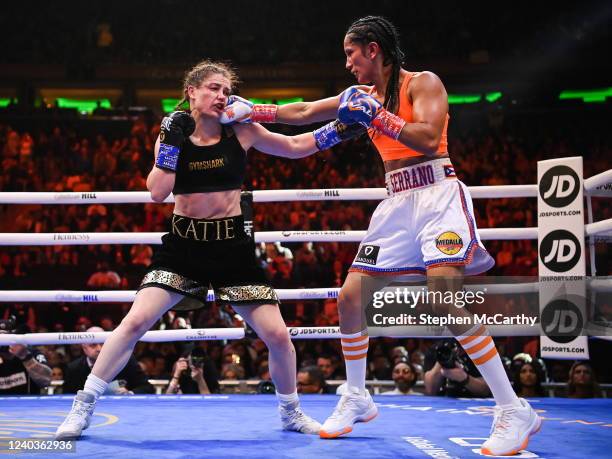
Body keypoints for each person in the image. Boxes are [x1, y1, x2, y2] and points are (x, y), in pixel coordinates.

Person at [221, 16, 541, 455]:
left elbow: (428, 139)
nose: (348, 64)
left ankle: (511, 408)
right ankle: (356, 395)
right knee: (351, 297)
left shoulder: (422, 83)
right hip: (396, 203)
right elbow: (302, 115)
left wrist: (379, 116)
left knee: (445, 296)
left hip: (437, 195)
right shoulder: (360, 97)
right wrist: (251, 109)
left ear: (373, 50)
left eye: (351, 54)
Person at [56, 59, 363, 440]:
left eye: (226, 91)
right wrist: (169, 143)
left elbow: (295, 146)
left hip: (233, 248)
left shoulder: (242, 130)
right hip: (184, 248)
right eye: (214, 88)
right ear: (192, 92)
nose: (222, 96)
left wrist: (339, 129)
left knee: (279, 336)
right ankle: (82, 405)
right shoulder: (174, 134)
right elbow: (156, 192)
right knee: (134, 323)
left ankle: (291, 412)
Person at [62, 327, 154, 395]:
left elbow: (147, 388)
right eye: (93, 345)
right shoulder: (73, 368)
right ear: (84, 348)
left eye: (102, 343)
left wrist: (129, 393)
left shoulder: (126, 361)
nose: (99, 348)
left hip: (122, 409)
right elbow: (66, 396)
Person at [0, 317, 52, 395]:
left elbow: (46, 381)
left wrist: (26, 357)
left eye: (5, 338)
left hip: (28, 404)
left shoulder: (30, 352)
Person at [423, 339, 489, 397]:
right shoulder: (437, 349)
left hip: (476, 403)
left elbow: (486, 390)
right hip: (443, 403)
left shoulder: (482, 349)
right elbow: (430, 390)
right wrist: (443, 358)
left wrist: (465, 379)